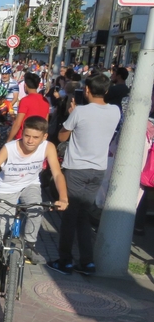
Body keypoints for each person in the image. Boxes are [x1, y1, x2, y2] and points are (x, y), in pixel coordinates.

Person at [0, 116, 69, 281]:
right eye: (27, 136)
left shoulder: (48, 147)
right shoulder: (10, 148)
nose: (30, 141)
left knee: (36, 209)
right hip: (6, 188)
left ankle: (30, 245)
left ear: (44, 137)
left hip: (29, 185)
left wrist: (63, 198)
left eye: (35, 137)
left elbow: (57, 173)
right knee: (2, 227)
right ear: (22, 133)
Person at [48, 74, 121, 276]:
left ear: (87, 90)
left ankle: (65, 261)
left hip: (77, 169)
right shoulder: (115, 111)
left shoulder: (80, 112)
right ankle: (87, 262)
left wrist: (72, 113)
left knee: (69, 216)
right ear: (106, 91)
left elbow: (62, 135)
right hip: (98, 170)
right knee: (83, 217)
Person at [7, 72, 49, 142]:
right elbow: (46, 123)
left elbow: (18, 124)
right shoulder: (45, 101)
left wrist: (8, 141)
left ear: (25, 85)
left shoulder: (25, 100)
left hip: (23, 138)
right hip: (37, 139)